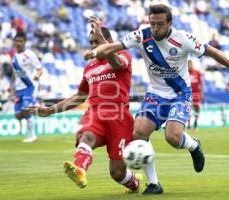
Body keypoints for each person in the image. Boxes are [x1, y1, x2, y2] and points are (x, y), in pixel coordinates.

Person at [85, 4, 229, 195]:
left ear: (169, 23)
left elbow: (211, 51)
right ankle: (154, 184)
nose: (155, 29)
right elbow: (114, 46)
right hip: (156, 93)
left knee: (172, 137)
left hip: (180, 95)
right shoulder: (141, 35)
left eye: (160, 24)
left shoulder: (183, 39)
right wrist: (94, 52)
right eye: (152, 24)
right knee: (139, 132)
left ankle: (194, 145)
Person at [25, 26, 142, 193]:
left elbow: (116, 64)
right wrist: (49, 110)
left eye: (97, 41)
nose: (93, 45)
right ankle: (79, 169)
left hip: (119, 116)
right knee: (85, 136)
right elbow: (79, 97)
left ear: (108, 41)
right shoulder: (90, 67)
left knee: (116, 172)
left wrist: (104, 46)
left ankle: (134, 183)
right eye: (91, 42)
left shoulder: (123, 56)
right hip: (95, 113)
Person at [9, 32, 43, 142]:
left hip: (30, 86)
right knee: (17, 115)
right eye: (17, 41)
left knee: (26, 109)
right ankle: (30, 131)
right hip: (19, 88)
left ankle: (32, 136)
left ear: (25, 42)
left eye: (21, 41)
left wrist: (37, 76)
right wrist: (11, 86)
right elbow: (15, 74)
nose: (19, 43)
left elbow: (39, 68)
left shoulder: (30, 54)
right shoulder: (14, 58)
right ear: (14, 42)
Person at [188, 58, 203, 130]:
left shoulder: (197, 72)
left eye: (190, 64)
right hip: (188, 94)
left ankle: (196, 122)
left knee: (197, 108)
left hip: (196, 93)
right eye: (188, 64)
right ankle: (188, 124)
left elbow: (201, 83)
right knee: (188, 108)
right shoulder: (185, 73)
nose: (189, 65)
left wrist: (202, 93)